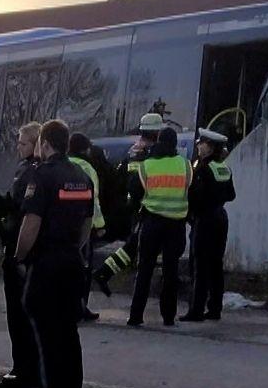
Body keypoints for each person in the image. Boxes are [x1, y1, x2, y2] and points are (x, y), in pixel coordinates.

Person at [14, 120, 96, 388]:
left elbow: (31, 224)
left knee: (48, 338)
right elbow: (87, 224)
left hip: (46, 265)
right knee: (68, 335)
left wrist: (20, 256)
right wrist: (73, 246)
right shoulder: (81, 176)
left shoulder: (42, 176)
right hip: (72, 263)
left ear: (45, 144)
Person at [126, 125, 190, 327]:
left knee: (144, 269)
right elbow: (191, 191)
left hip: (152, 222)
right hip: (176, 224)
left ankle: (136, 316)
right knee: (171, 272)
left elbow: (134, 192)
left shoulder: (147, 165)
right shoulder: (185, 165)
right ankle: (168, 317)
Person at [91, 116, 160, 295]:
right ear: (157, 132)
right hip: (143, 206)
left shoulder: (135, 151)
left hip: (133, 205)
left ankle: (104, 273)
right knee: (136, 245)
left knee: (133, 245)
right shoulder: (147, 154)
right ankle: (104, 273)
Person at [0, 123, 44, 388]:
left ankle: (22, 369)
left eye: (23, 143)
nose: (18, 147)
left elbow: (21, 210)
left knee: (19, 314)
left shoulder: (30, 171)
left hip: (20, 252)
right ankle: (28, 368)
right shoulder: (29, 169)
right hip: (25, 251)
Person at [181, 127, 236, 322]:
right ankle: (215, 308)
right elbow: (231, 195)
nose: (198, 146)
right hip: (221, 217)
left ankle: (196, 310)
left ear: (210, 147)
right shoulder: (224, 167)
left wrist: (190, 213)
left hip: (204, 220)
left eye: (201, 143)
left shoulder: (202, 168)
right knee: (215, 265)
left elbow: (195, 196)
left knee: (200, 266)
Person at [66, 132, 105, 322]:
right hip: (83, 227)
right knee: (83, 269)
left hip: (63, 225)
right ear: (85, 149)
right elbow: (93, 201)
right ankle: (80, 307)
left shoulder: (61, 164)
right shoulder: (87, 168)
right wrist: (99, 225)